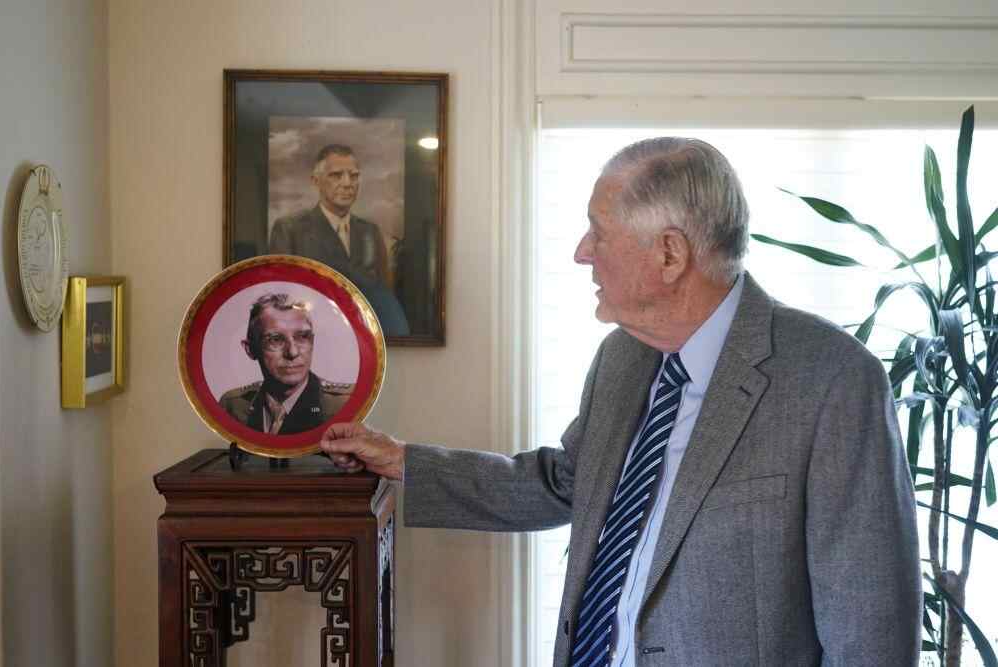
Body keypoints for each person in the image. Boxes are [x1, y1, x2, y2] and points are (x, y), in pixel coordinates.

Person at [320, 138, 922, 665]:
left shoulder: (832, 380)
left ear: (670, 254)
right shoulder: (621, 357)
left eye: (599, 233)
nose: (582, 252)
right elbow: (564, 484)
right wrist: (400, 459)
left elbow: (871, 628)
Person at [268, 143, 410, 336]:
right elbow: (280, 295)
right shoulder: (290, 229)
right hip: (314, 336)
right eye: (336, 175)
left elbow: (383, 295)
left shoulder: (369, 231)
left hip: (364, 337)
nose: (347, 183)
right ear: (316, 181)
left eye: (354, 176)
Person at [220, 293, 353, 435]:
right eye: (275, 339)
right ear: (250, 349)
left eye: (303, 337)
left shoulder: (345, 404)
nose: (292, 352)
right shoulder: (233, 405)